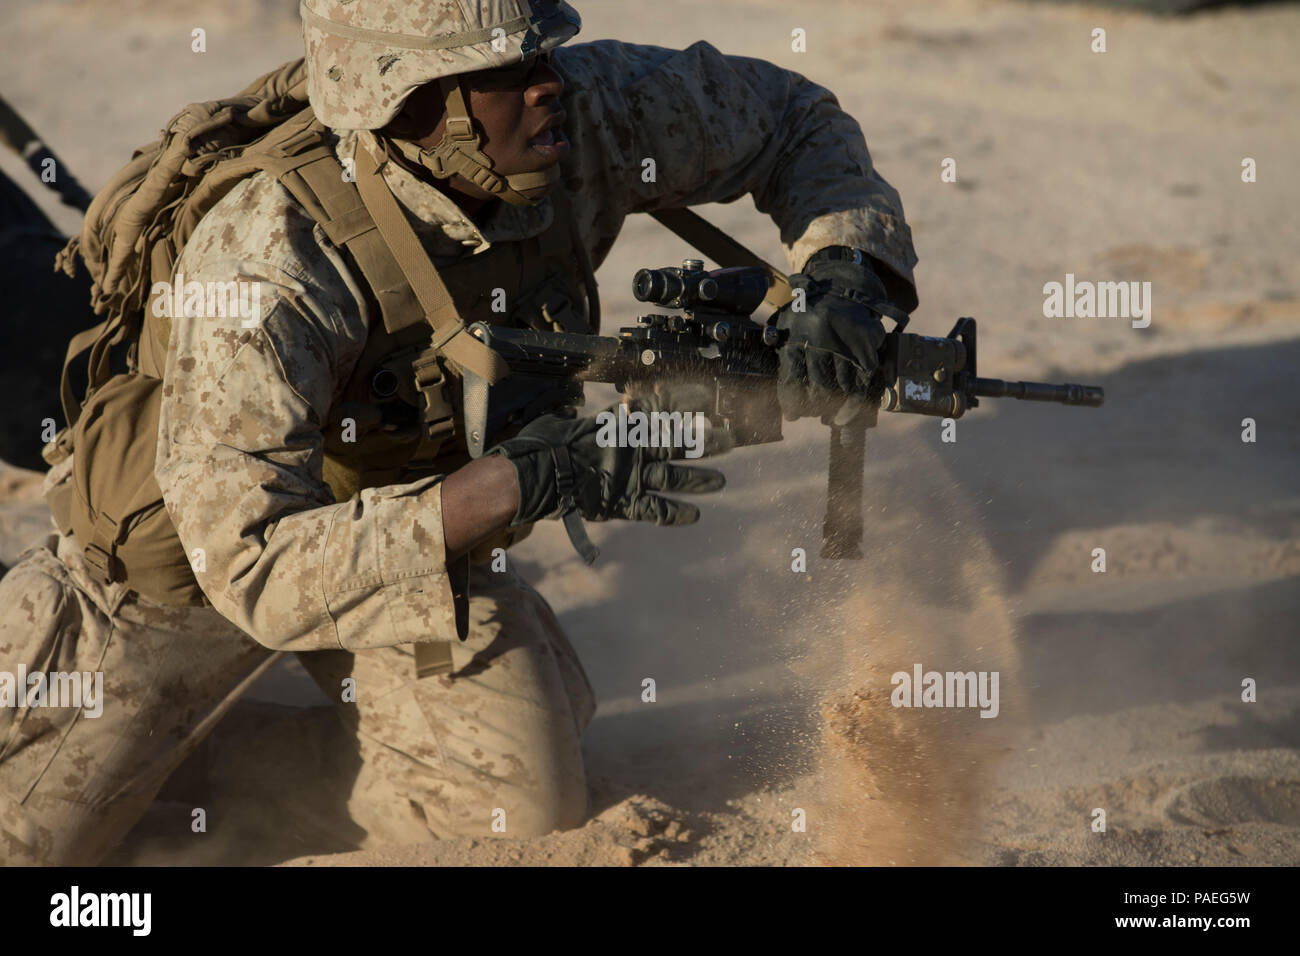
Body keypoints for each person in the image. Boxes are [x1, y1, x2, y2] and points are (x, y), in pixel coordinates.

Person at [0, 0, 917, 864]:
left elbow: (791, 118)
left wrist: (842, 273)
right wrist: (525, 482)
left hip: (410, 534)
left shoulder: (587, 117)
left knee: (510, 813)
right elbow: (252, 564)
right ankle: (121, 723)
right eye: (501, 70)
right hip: (187, 567)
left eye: (541, 52)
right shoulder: (271, 255)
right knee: (29, 843)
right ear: (409, 105)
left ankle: (208, 760)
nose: (545, 82)